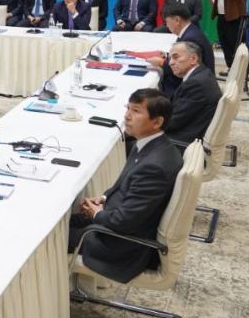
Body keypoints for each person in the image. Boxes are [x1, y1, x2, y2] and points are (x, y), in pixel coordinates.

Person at [67, 88, 182, 284]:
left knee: (50, 237)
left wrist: (97, 214)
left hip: (120, 245)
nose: (127, 116)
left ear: (157, 122)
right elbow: (125, 186)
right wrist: (104, 199)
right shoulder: (150, 145)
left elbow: (123, 222)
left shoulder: (155, 166)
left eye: (136, 111)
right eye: (128, 108)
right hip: (117, 222)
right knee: (64, 220)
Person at [147, 3, 216, 97]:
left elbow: (183, 68)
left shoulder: (190, 38)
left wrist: (161, 63)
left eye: (167, 22)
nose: (166, 26)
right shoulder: (191, 30)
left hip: (192, 88)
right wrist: (167, 55)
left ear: (177, 20)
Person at [162, 42, 222, 148]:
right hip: (192, 131)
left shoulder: (195, 84)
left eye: (176, 57)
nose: (170, 63)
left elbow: (173, 122)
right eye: (170, 58)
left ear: (193, 59)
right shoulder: (203, 73)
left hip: (182, 143)